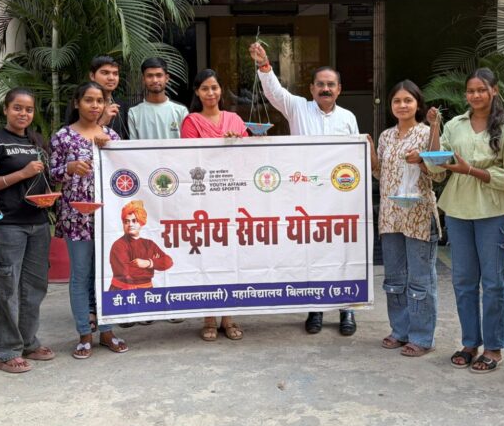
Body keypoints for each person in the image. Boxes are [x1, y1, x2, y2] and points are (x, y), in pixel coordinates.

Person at [247, 41, 360, 336]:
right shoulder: (298, 107)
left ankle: (347, 310)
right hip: (306, 198)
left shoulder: (348, 118)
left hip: (340, 199)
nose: (325, 89)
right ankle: (315, 308)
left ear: (339, 89)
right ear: (311, 89)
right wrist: (263, 64)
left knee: (343, 253)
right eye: (320, 84)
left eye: (331, 85)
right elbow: (274, 92)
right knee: (313, 253)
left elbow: (354, 160)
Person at [427, 67, 504, 374]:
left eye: (482, 89)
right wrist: (433, 130)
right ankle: (470, 343)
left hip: (493, 211)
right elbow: (436, 168)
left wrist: (472, 171)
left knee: (493, 282)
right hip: (458, 210)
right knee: (464, 281)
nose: (476, 95)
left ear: (494, 90)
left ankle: (493, 347)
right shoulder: (455, 125)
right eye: (471, 91)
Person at [0, 88, 56, 374]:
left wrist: (49, 196)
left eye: (29, 109)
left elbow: (45, 178)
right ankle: (5, 352)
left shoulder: (37, 141)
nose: (23, 114)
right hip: (9, 223)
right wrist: (22, 174)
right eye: (18, 108)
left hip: (38, 221)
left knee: (34, 287)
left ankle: (28, 342)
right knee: (7, 288)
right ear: (6, 110)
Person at [49, 82, 129, 359]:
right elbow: (52, 173)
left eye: (100, 101)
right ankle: (84, 333)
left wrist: (110, 149)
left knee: (106, 274)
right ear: (76, 103)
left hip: (108, 217)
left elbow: (124, 174)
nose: (95, 106)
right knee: (80, 275)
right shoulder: (63, 137)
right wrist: (69, 168)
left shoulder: (112, 136)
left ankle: (107, 331)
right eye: (89, 100)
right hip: (76, 218)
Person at [369, 80, 442, 357]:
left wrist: (423, 156)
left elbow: (438, 172)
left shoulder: (425, 132)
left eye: (408, 100)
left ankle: (422, 337)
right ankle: (399, 331)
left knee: (421, 279)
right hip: (390, 216)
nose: (402, 105)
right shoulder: (386, 136)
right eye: (397, 101)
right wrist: (371, 150)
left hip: (418, 216)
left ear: (417, 104)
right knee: (395, 278)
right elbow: (379, 174)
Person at [180, 69, 249, 340]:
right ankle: (209, 318)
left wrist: (236, 142)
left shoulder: (235, 119)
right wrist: (222, 145)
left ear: (221, 90)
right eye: (205, 88)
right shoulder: (191, 121)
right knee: (207, 257)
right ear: (197, 92)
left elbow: (247, 157)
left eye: (215, 87)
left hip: (233, 197)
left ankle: (228, 317)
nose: (211, 93)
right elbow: (190, 158)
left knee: (231, 257)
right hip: (204, 199)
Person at [109, 200, 174, 289]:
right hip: (122, 291)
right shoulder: (118, 245)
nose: (130, 224)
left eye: (134, 221)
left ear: (141, 222)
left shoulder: (149, 244)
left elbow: (168, 261)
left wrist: (148, 263)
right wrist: (155, 265)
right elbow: (125, 273)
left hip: (148, 290)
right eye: (126, 221)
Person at [127, 57, 188, 140]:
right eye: (150, 76)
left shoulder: (181, 111)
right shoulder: (134, 112)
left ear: (167, 78)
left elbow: (187, 143)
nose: (155, 80)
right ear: (143, 79)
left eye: (159, 75)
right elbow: (133, 145)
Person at [89, 54, 129, 139]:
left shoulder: (123, 106)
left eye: (115, 74)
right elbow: (72, 140)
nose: (111, 78)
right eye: (105, 73)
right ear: (92, 76)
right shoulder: (81, 105)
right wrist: (102, 122)